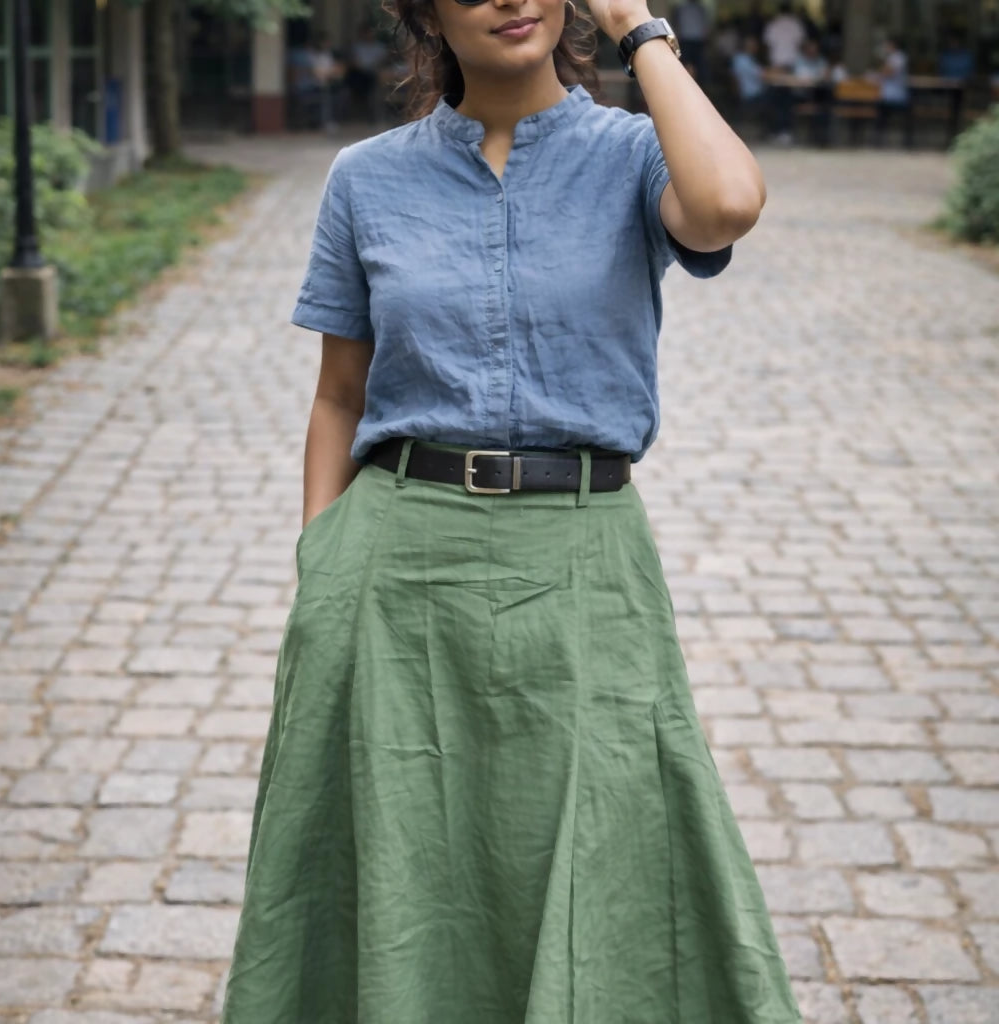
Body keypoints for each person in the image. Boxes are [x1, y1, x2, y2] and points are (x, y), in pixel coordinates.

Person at [220, 1, 804, 1021]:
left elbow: (725, 205)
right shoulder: (368, 178)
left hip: (583, 558)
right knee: (408, 867)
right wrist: (323, 565)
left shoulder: (632, 154)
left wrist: (641, 27)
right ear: (428, 11)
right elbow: (338, 395)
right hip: (396, 578)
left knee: (606, 851)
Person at [871, 34, 910, 145]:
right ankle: (878, 140)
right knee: (878, 109)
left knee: (880, 110)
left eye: (887, 44)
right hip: (886, 95)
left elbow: (887, 72)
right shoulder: (891, 57)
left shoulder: (899, 57)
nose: (885, 47)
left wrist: (881, 62)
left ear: (893, 45)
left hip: (896, 96)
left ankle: (878, 140)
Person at [671, 0, 710, 86]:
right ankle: (697, 86)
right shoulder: (700, 8)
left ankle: (687, 84)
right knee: (697, 64)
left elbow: (676, 24)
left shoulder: (681, 8)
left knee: (686, 64)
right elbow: (705, 26)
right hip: (695, 40)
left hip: (687, 39)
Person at [763, 1, 806, 70]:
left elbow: (768, 44)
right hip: (793, 59)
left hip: (777, 59)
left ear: (779, 11)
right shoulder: (796, 23)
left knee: (777, 80)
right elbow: (801, 43)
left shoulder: (772, 23)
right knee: (792, 80)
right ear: (791, 10)